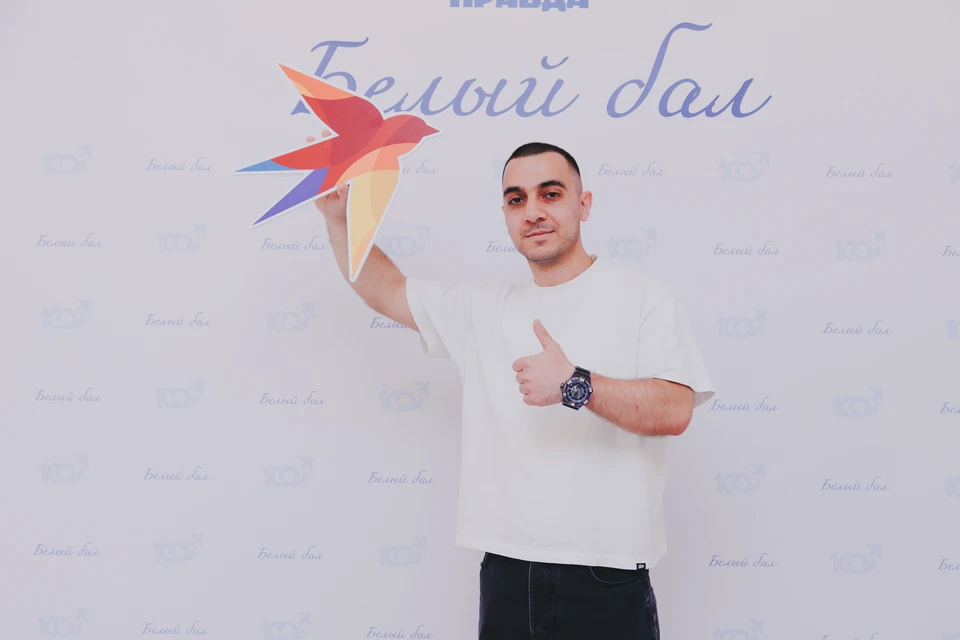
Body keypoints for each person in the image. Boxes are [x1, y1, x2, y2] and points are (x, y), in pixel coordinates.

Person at [311, 131, 715, 639]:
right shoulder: (483, 306)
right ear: (505, 214)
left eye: (551, 193)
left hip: (607, 571)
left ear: (583, 204)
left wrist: (575, 384)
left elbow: (675, 409)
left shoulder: (644, 299)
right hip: (507, 570)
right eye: (516, 199)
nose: (533, 212)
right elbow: (387, 290)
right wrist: (340, 220)